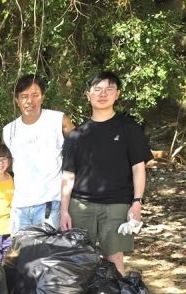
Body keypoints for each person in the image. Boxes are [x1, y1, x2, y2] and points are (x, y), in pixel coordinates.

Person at [61, 70, 152, 275]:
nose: (103, 94)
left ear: (117, 94)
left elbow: (138, 167)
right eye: (97, 89)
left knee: (114, 258)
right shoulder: (77, 135)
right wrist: (64, 211)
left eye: (109, 89)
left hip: (117, 205)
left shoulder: (129, 128)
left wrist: (137, 202)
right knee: (80, 259)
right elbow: (68, 176)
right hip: (80, 206)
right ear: (88, 95)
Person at [3, 74, 75, 231]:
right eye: (24, 96)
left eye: (35, 95)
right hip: (20, 207)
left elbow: (79, 152)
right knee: (21, 254)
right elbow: (4, 165)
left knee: (47, 254)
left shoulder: (58, 121)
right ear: (17, 100)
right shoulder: (8, 130)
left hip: (50, 204)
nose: (30, 101)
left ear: (43, 97)